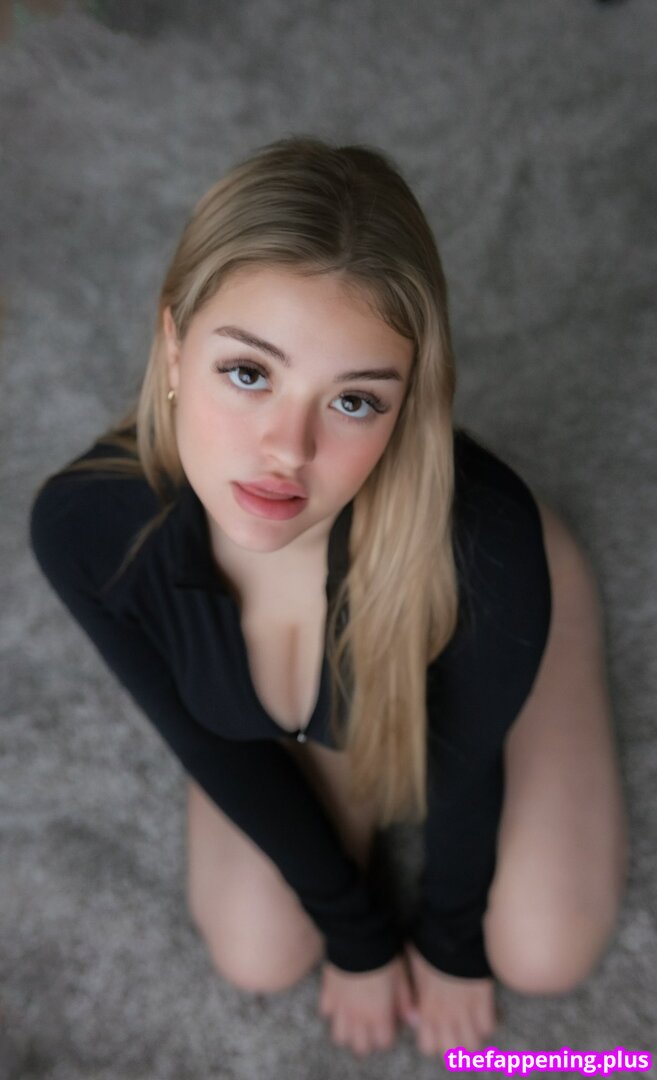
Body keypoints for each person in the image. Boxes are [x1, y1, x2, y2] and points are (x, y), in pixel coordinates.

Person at [29, 136, 627, 1060]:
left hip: (485, 602)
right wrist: (356, 934)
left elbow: (463, 771)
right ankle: (321, 724)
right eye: (249, 373)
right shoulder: (85, 528)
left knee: (544, 953)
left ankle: (559, 605)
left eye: (353, 400)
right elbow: (204, 744)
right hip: (335, 674)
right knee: (259, 953)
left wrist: (450, 941)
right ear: (175, 347)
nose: (288, 449)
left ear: (405, 405)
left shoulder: (486, 549)